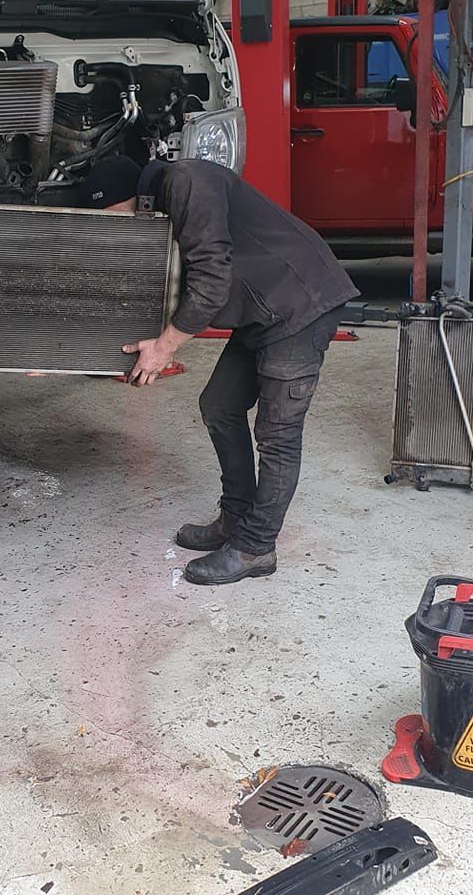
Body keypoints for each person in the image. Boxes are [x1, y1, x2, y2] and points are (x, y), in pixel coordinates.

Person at [81, 154, 358, 586]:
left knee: (278, 434)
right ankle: (234, 519)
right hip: (263, 311)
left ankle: (255, 547)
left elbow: (211, 283)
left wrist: (163, 349)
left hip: (300, 305)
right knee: (219, 405)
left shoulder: (189, 181)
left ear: (127, 199)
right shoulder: (169, 201)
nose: (109, 229)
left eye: (108, 216)